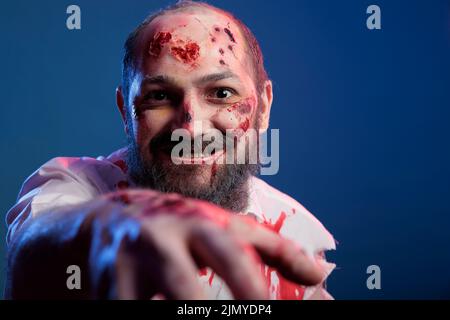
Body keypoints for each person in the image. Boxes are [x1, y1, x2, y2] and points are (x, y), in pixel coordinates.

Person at [5, 0, 336, 300]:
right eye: (160, 96)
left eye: (221, 93)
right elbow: (36, 242)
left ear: (263, 107)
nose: (190, 128)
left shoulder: (294, 236)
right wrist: (112, 226)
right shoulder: (73, 186)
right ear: (126, 112)